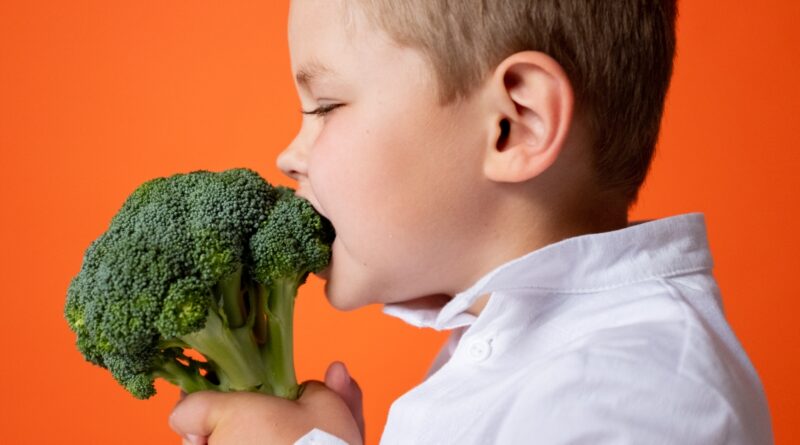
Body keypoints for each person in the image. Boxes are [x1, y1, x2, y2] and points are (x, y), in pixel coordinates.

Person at [168, 0, 774, 443]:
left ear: (514, 124)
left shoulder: (635, 395)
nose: (287, 157)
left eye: (326, 106)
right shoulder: (511, 353)